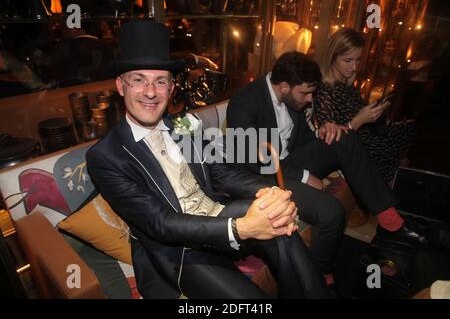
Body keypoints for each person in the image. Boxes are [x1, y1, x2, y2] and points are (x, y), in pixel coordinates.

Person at [86, 20, 331, 299]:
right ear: (121, 86)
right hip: (178, 252)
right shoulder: (106, 156)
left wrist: (265, 191)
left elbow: (221, 174)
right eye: (139, 80)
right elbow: (161, 223)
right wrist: (241, 228)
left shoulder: (184, 125)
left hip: (216, 213)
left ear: (171, 87)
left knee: (280, 224)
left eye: (160, 81)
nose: (151, 92)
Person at [226, 51, 427, 288]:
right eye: (306, 93)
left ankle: (389, 219)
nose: (311, 100)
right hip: (262, 176)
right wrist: (303, 176)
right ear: (283, 86)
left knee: (343, 137)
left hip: (288, 163)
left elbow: (299, 142)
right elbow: (253, 161)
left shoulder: (292, 97)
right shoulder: (243, 103)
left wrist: (321, 134)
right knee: (332, 213)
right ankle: (318, 275)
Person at [314, 28, 415, 183]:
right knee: (396, 158)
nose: (354, 67)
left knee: (407, 131)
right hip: (352, 146)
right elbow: (332, 141)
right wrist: (360, 119)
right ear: (332, 57)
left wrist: (376, 114)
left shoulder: (346, 84)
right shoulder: (325, 89)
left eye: (358, 60)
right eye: (348, 60)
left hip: (365, 138)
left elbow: (359, 114)